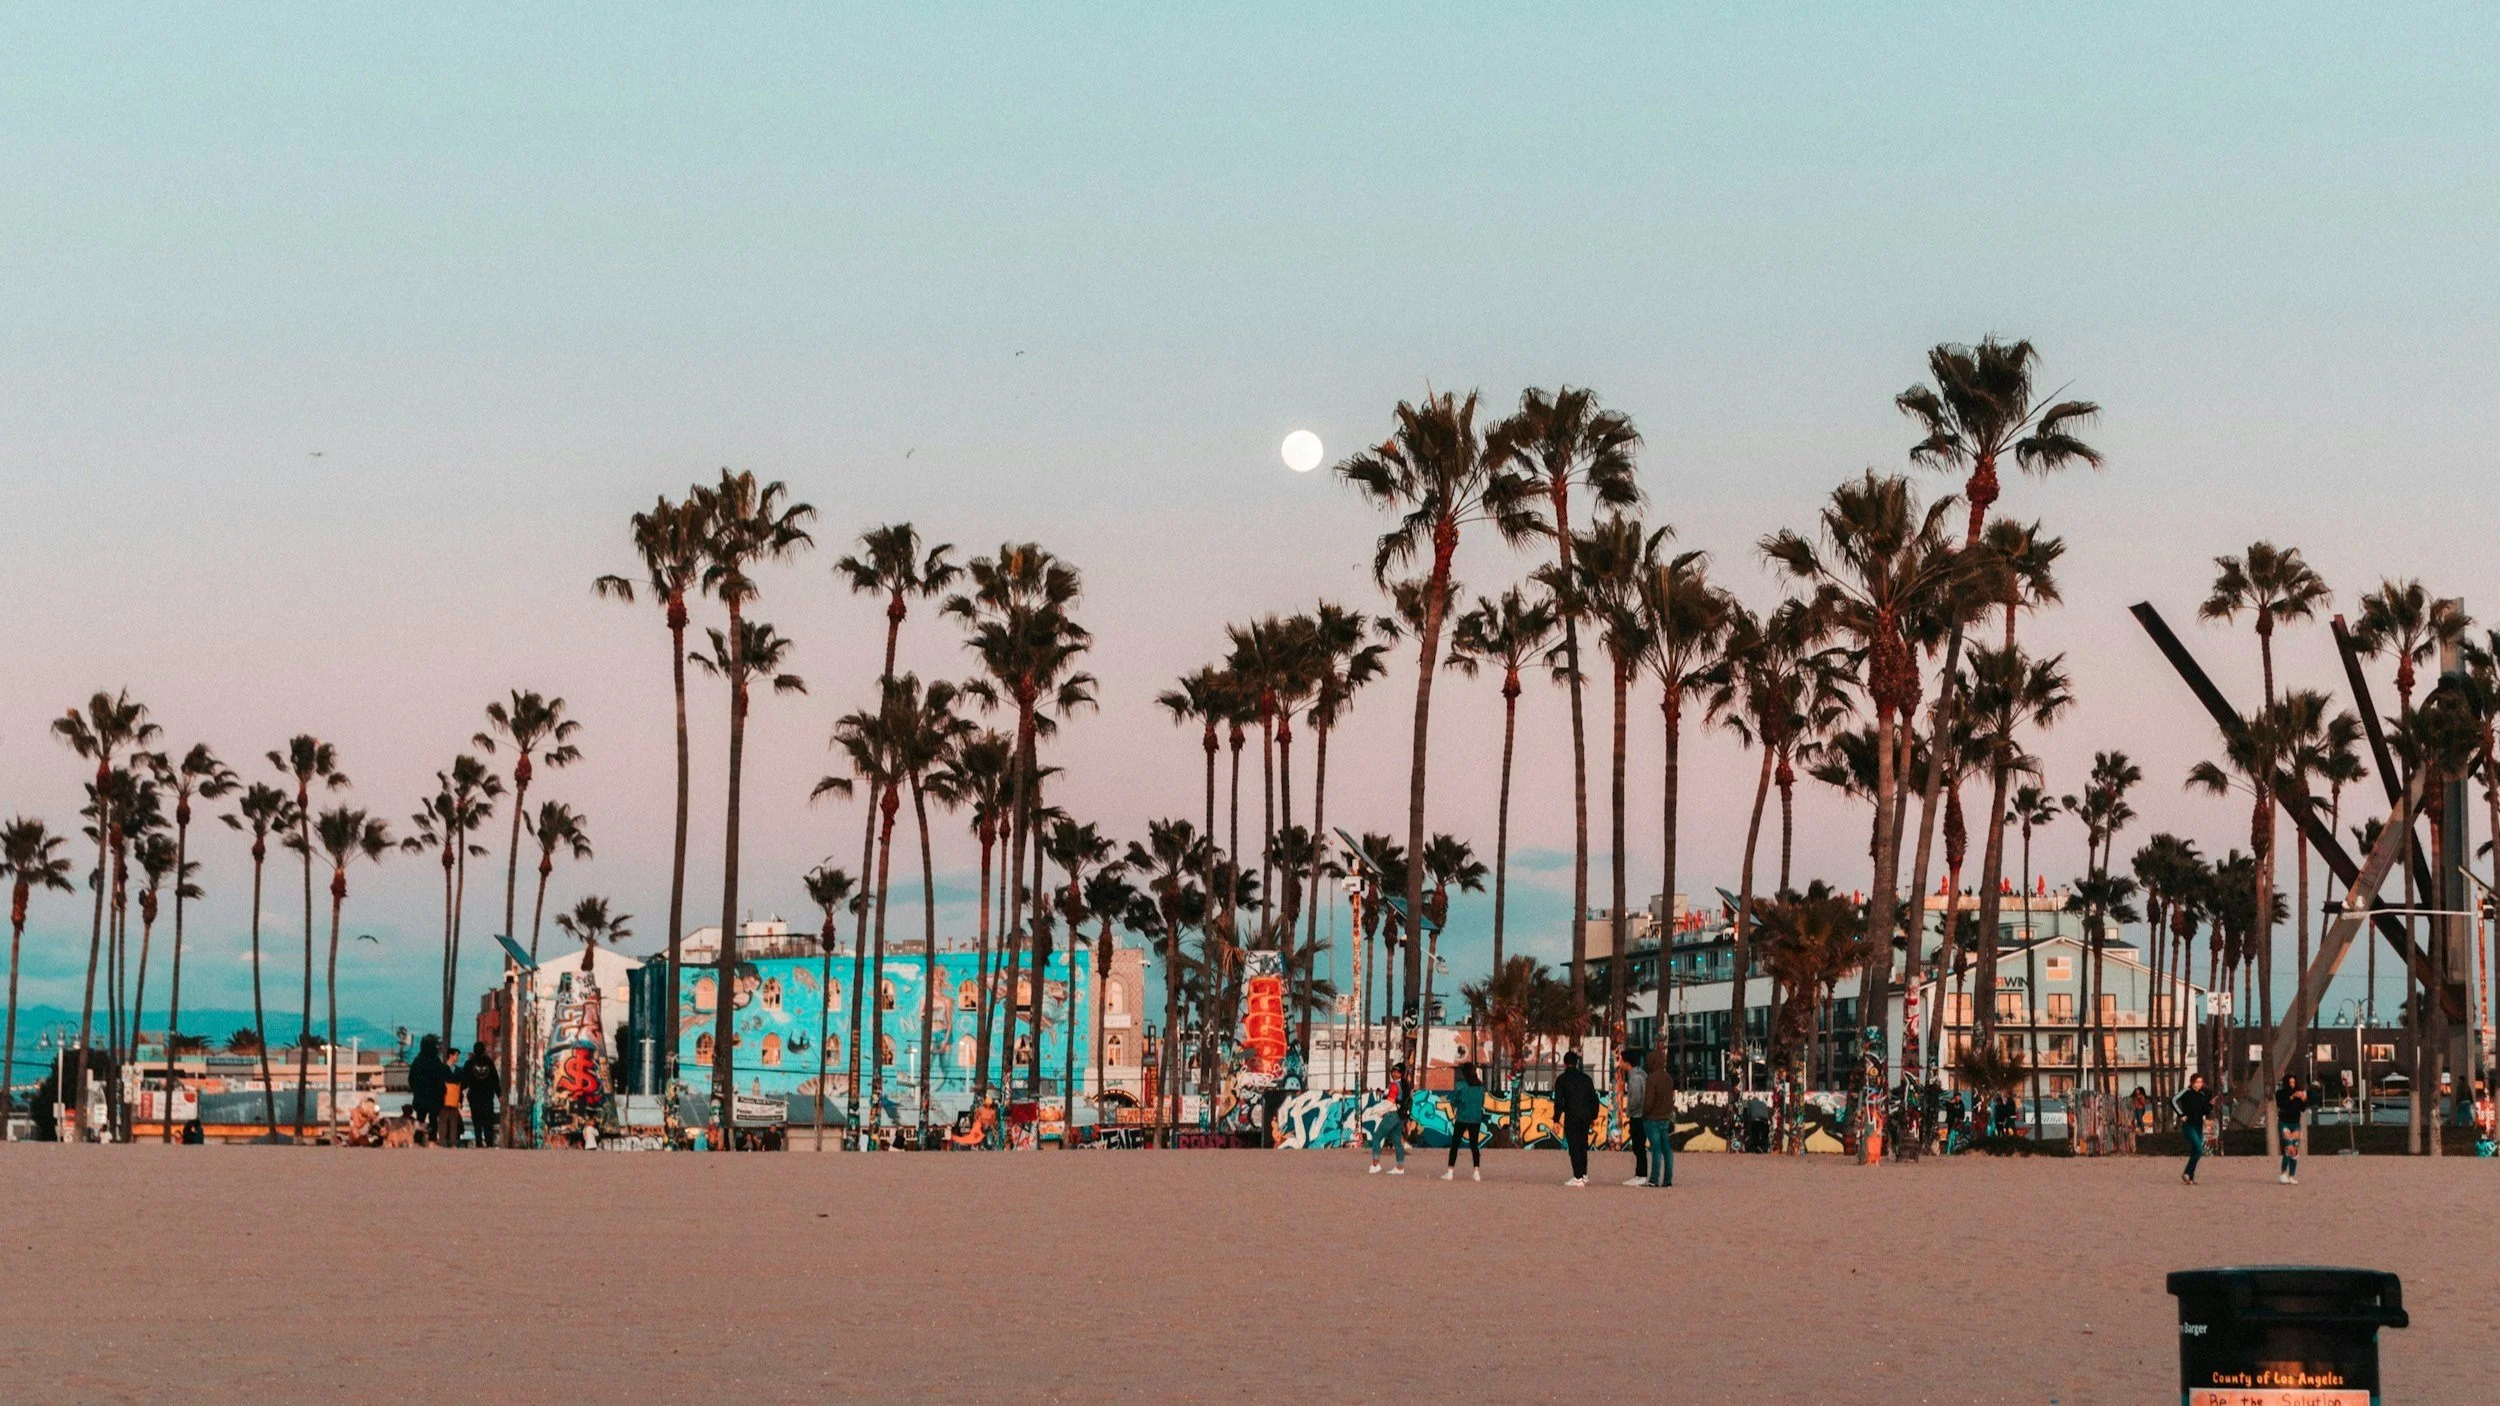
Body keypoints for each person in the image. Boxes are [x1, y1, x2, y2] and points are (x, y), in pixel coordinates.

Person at [1554, 1051, 1599, 1187]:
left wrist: (1556, 1118)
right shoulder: (1586, 1079)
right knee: (1582, 1145)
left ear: (1564, 1064)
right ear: (1577, 1062)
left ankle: (1577, 1176)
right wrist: (1593, 1116)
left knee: (1574, 1146)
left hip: (1572, 1116)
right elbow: (1594, 1099)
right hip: (1585, 1116)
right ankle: (1584, 1174)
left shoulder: (1562, 1079)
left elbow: (1559, 1102)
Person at [1443, 1061, 1488, 1180]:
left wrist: (1453, 1105)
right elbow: (1482, 1102)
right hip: (1476, 1118)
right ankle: (1476, 1171)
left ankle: (1450, 1171)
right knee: (1474, 1145)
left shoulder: (1461, 1085)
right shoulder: (1480, 1087)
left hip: (1462, 1117)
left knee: (1455, 1144)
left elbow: (1456, 1100)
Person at [1640, 1046, 1676, 1188]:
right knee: (1667, 1150)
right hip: (1665, 1118)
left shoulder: (1652, 1079)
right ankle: (1667, 1179)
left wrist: (1644, 1114)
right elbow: (1670, 1100)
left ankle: (1654, 1179)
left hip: (1652, 1119)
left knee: (1655, 1150)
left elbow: (1648, 1101)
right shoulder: (1668, 1078)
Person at [408, 1035, 452, 1147]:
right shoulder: (436, 1062)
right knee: (433, 1119)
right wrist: (442, 1092)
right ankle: (431, 1141)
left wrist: (416, 1090)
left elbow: (411, 1078)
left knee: (420, 1119)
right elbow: (442, 1078)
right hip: (434, 1097)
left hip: (421, 1096)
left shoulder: (418, 1061)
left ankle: (418, 1140)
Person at [1368, 1061, 1410, 1175]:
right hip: (1400, 1116)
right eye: (1393, 1071)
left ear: (1401, 1074)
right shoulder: (1404, 1085)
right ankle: (1400, 1167)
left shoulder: (1394, 1085)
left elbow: (1389, 1102)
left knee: (1377, 1137)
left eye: (1397, 1072)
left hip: (1392, 1115)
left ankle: (1375, 1164)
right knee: (1397, 1141)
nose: (1394, 1074)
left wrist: (1376, 1110)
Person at [1616, 1048, 1649, 1185]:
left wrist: (1629, 1111)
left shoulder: (1635, 1078)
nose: (1620, 1064)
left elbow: (1636, 1099)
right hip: (1641, 1115)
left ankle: (1641, 1175)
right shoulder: (1641, 1075)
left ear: (1627, 1062)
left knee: (1638, 1146)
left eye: (1621, 1060)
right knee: (1639, 1146)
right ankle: (1640, 1174)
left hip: (1637, 1116)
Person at [2174, 1073, 2213, 1185]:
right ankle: (2186, 1173)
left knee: (2196, 1152)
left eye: (2201, 1082)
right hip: (2188, 1125)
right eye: (2197, 1082)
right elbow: (2173, 1101)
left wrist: (2211, 1104)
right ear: (2192, 1082)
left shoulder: (2201, 1094)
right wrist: (2181, 1114)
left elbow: (2204, 1110)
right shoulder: (2186, 1091)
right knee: (2199, 1149)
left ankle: (2190, 1177)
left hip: (2199, 1125)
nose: (2199, 1084)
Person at [462, 1043, 501, 1148]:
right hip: (487, 1096)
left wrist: (459, 1090)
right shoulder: (489, 1062)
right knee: (488, 1120)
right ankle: (489, 1142)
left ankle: (479, 1142)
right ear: (484, 1050)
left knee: (477, 1120)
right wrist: (499, 1094)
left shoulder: (469, 1063)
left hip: (474, 1096)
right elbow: (495, 1080)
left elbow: (464, 1080)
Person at [2275, 1072, 2309, 1184]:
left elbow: (2302, 1109)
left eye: (2294, 1082)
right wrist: (2292, 1096)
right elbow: (2281, 1105)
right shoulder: (2280, 1093)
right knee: (2288, 1147)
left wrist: (2304, 1099)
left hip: (2295, 1124)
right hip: (2284, 1123)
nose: (2292, 1085)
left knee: (2294, 1150)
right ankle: (2283, 1173)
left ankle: (2292, 1175)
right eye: (2290, 1082)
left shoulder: (2298, 1093)